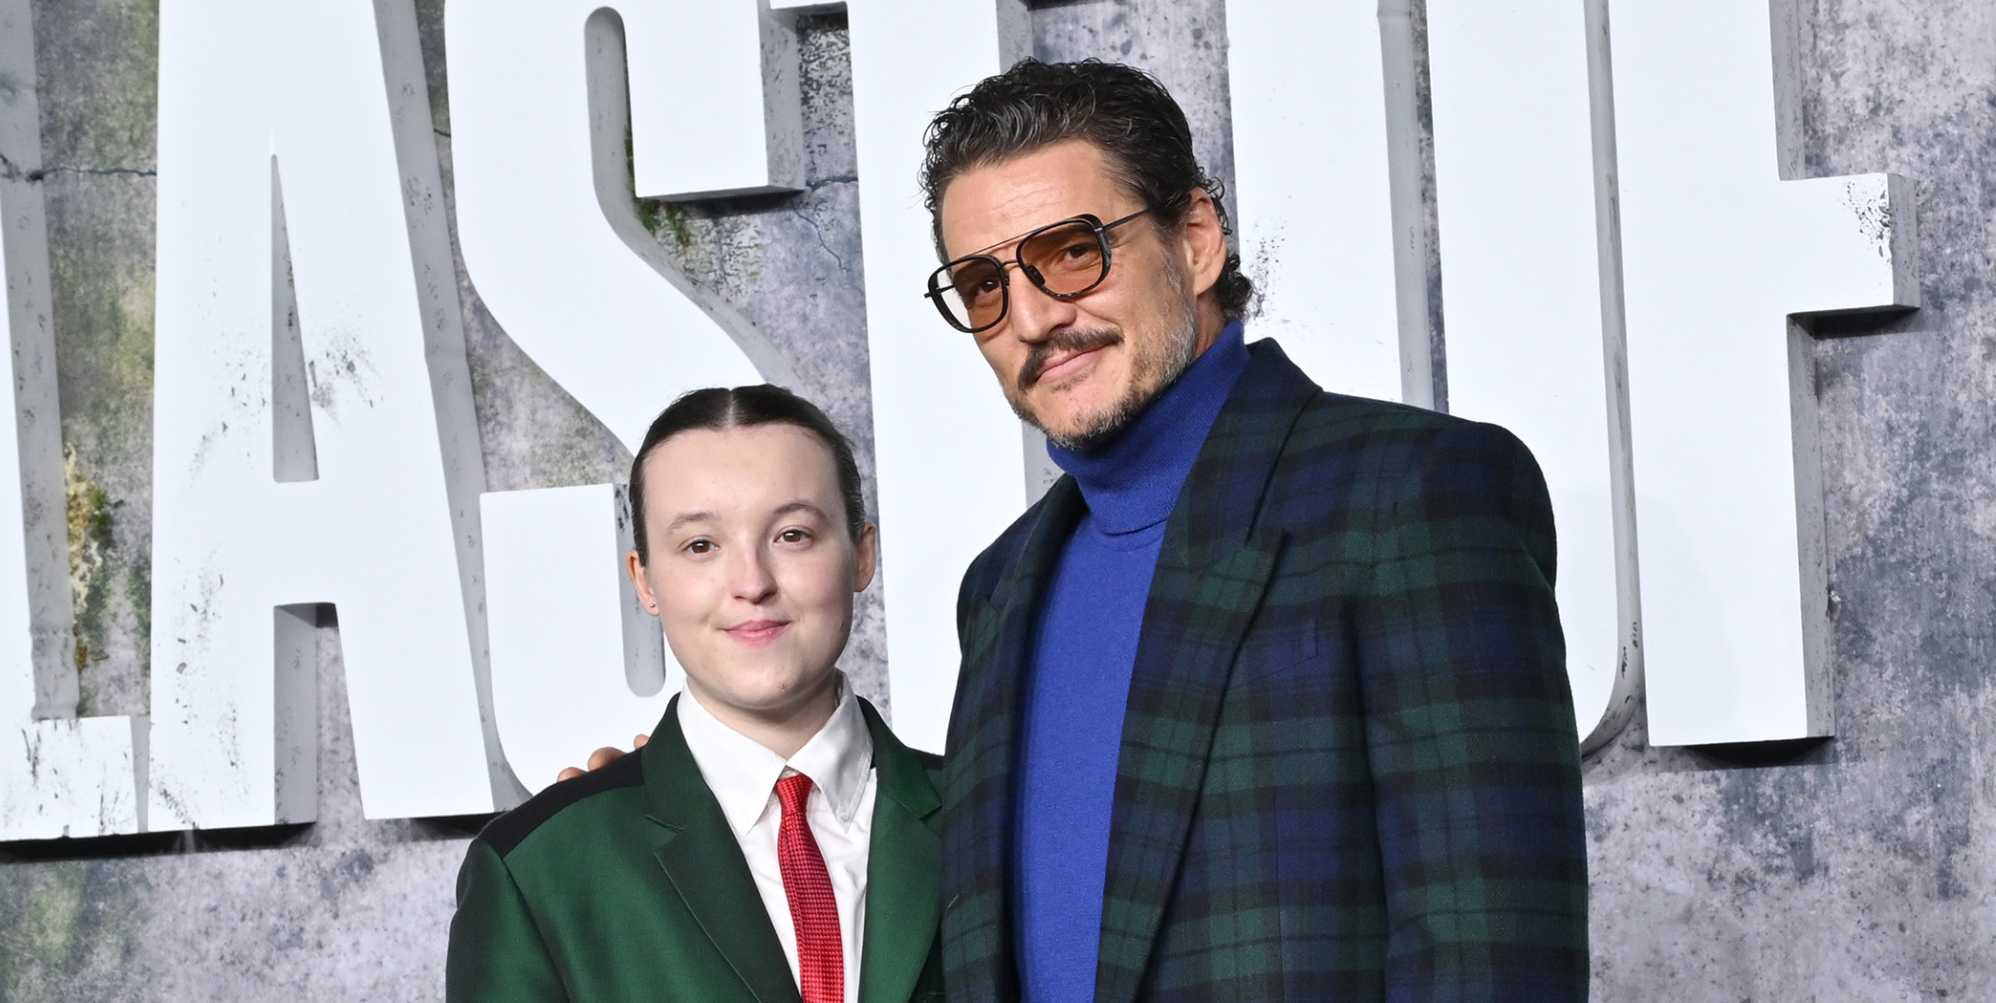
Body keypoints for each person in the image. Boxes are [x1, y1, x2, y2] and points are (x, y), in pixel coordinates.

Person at [580, 57, 1589, 1001]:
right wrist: (666, 808)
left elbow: (1495, 953)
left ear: (1195, 241)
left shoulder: (1412, 495)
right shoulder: (1003, 584)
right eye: (986, 286)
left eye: (1071, 253)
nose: (1031, 318)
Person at [448, 386, 945, 1003]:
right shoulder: (537, 870)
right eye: (700, 546)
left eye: (792, 535)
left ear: (862, 554)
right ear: (646, 581)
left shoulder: (991, 818)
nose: (751, 583)